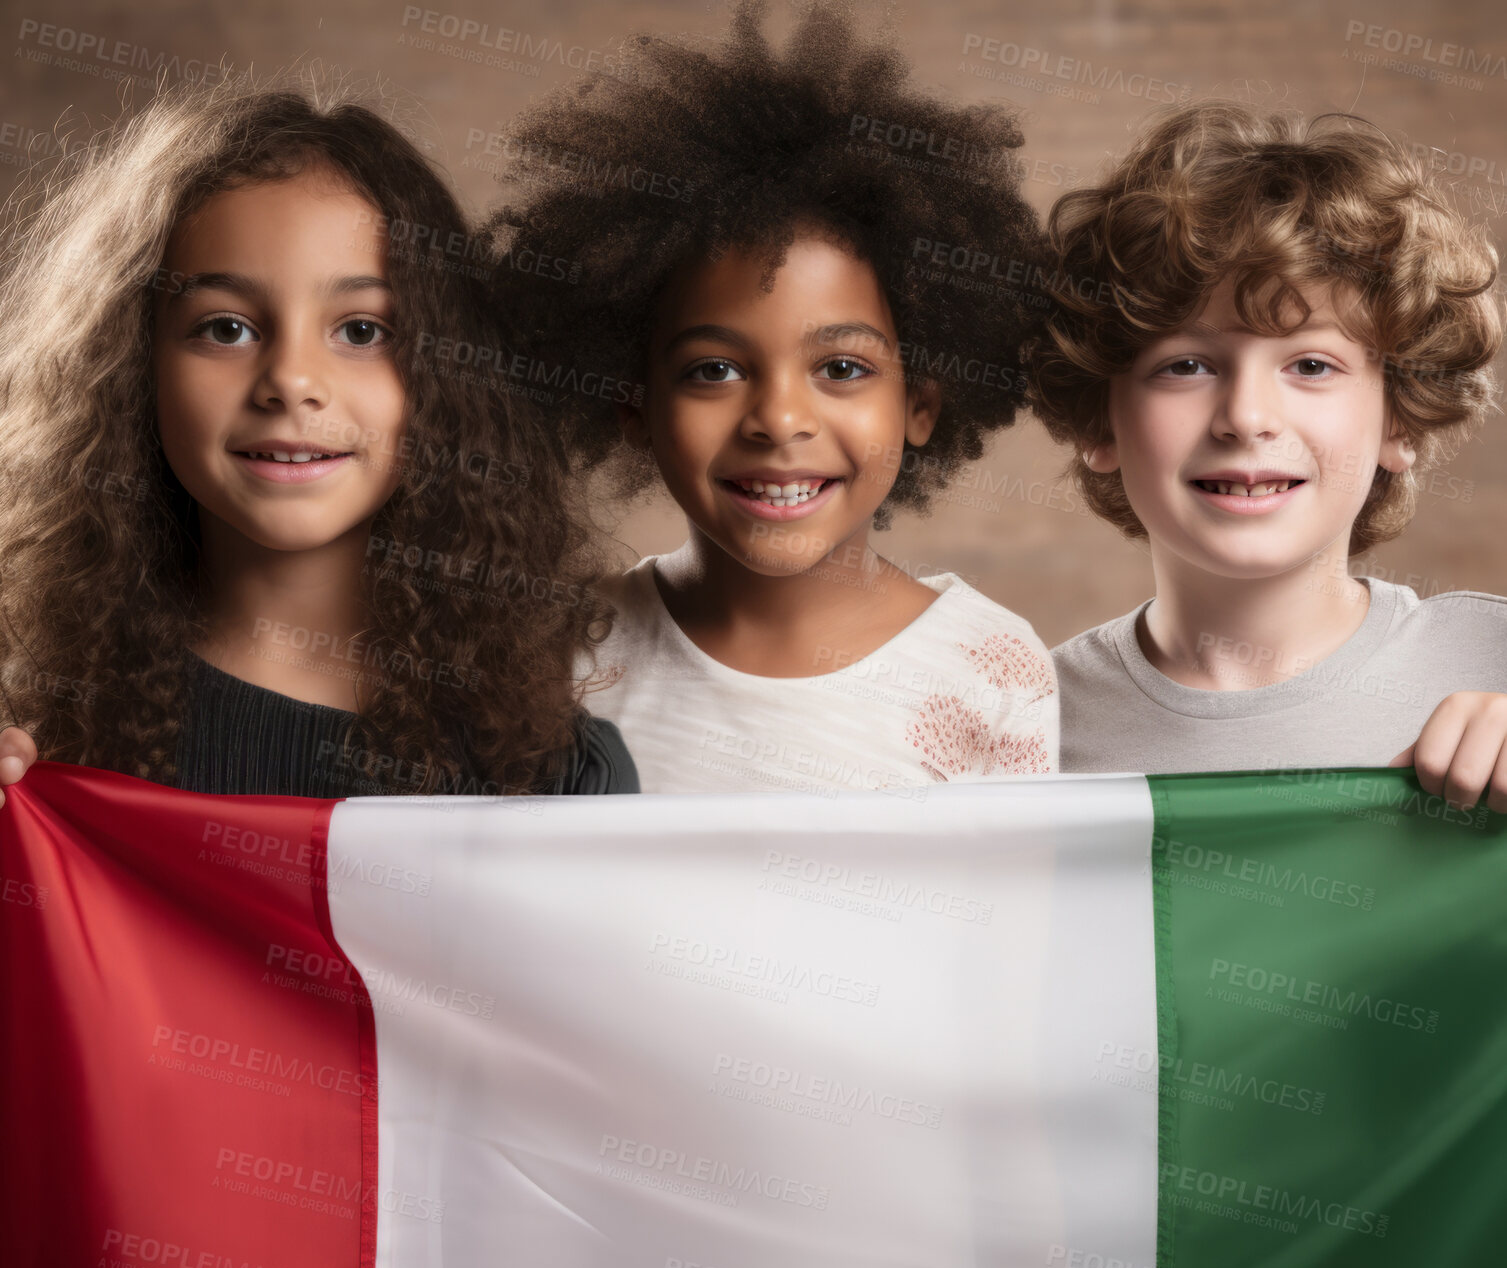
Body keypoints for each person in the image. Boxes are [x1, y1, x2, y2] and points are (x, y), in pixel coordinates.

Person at [0, 75, 636, 806]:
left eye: (361, 331)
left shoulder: (558, 776)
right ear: (129, 368)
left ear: (449, 377)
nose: (292, 380)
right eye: (225, 327)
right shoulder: (37, 728)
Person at [484, 0, 1056, 795]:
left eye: (842, 368)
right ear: (632, 405)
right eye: (713, 370)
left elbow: (1016, 916)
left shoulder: (992, 667)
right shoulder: (559, 654)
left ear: (922, 401)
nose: (780, 421)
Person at [1033, 101, 1507, 810]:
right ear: (1098, 423)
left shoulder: (1492, 662)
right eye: (1185, 366)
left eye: (1311, 365)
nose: (1246, 418)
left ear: (1399, 420)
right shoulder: (1020, 722)